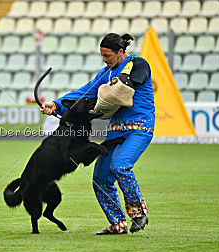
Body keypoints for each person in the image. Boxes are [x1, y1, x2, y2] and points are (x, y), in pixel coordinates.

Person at [40, 33, 155, 235]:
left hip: (140, 127)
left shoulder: (137, 63)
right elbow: (86, 92)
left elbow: (136, 79)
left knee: (120, 166)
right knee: (101, 178)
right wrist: (57, 104)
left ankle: (138, 212)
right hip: (115, 128)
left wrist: (117, 84)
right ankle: (117, 224)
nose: (104, 59)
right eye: (102, 55)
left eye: (107, 55)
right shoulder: (106, 73)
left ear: (121, 52)